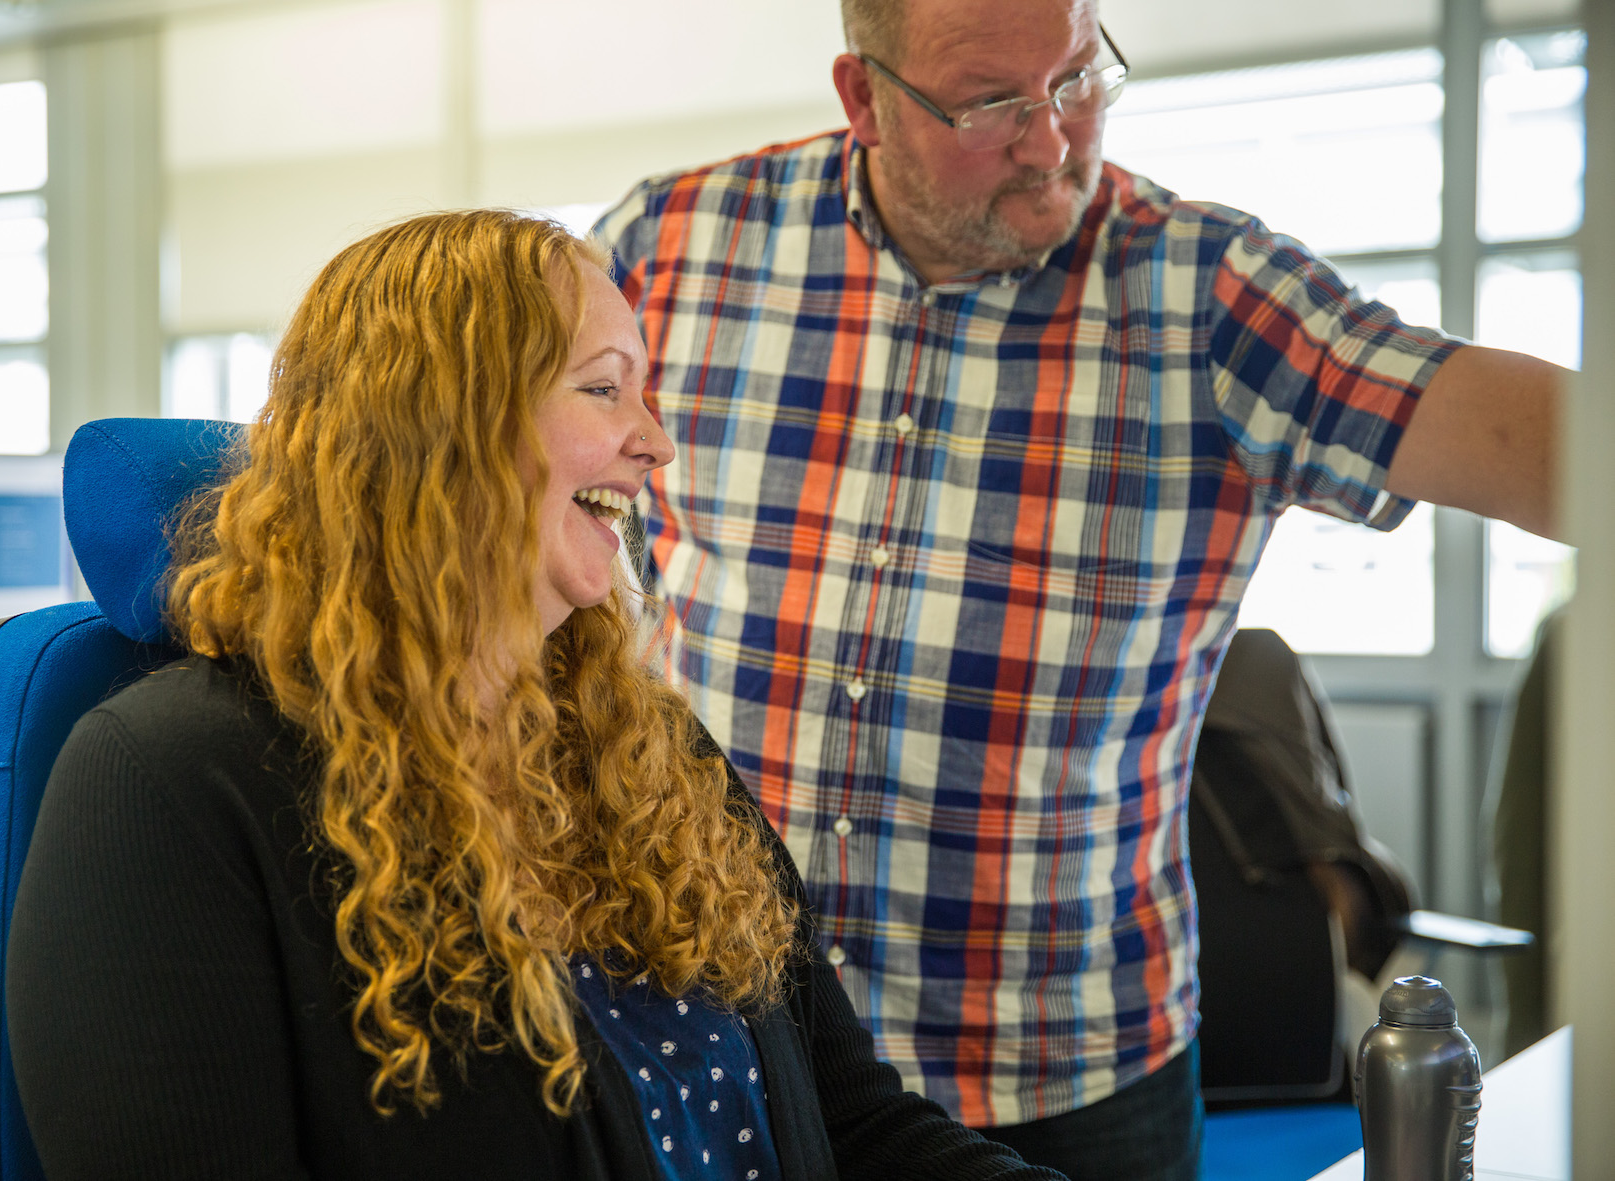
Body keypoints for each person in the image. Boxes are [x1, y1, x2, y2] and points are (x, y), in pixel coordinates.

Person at [592, 0, 1564, 1176]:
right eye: (990, 100)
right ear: (864, 99)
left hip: (1058, 1069)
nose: (1049, 140)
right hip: (736, 1019)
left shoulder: (1211, 292)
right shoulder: (674, 240)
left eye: (1075, 79)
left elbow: (1521, 439)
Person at [4, 210, 1066, 1181]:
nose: (653, 441)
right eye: (604, 388)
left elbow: (854, 1121)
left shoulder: (642, 739)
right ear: (439, 427)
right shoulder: (168, 784)